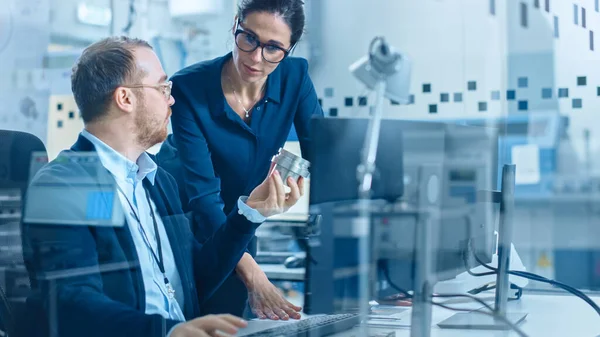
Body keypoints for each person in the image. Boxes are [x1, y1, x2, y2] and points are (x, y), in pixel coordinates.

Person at [22, 36, 303, 337]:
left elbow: (196, 277)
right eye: (162, 88)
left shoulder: (158, 182)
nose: (171, 99)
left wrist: (249, 214)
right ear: (125, 99)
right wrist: (167, 332)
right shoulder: (65, 185)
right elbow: (71, 303)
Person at [157, 0, 323, 321]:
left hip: (243, 222)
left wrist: (291, 179)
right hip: (186, 224)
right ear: (235, 24)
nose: (255, 58)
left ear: (289, 49)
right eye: (248, 38)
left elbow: (323, 153)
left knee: (236, 322)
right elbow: (203, 201)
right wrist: (255, 276)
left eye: (274, 48)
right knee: (197, 320)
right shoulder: (190, 87)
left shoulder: (295, 76)